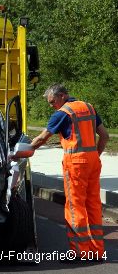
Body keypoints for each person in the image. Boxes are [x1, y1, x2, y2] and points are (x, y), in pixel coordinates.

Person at [30, 83, 109, 260]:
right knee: (93, 205)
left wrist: (25, 150)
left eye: (52, 102)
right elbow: (104, 136)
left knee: (75, 207)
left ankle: (80, 251)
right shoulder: (88, 107)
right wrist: (94, 155)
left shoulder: (62, 114)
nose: (52, 106)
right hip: (93, 161)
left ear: (63, 96)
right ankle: (96, 251)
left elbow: (42, 138)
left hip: (76, 164)